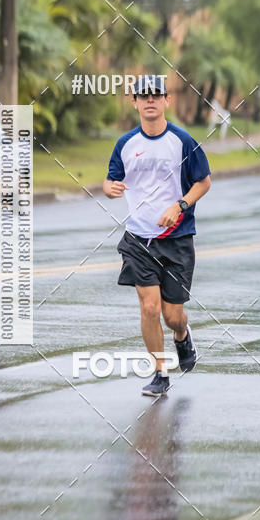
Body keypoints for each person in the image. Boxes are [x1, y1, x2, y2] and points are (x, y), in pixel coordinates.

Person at [103, 76, 211, 397]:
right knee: (149, 308)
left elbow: (203, 182)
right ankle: (160, 372)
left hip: (177, 239)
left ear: (167, 101)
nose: (149, 100)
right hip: (138, 239)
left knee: (171, 315)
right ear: (134, 102)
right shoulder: (125, 144)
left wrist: (180, 206)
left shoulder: (183, 141)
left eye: (156, 95)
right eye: (143, 96)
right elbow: (111, 182)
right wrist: (109, 188)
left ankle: (182, 335)